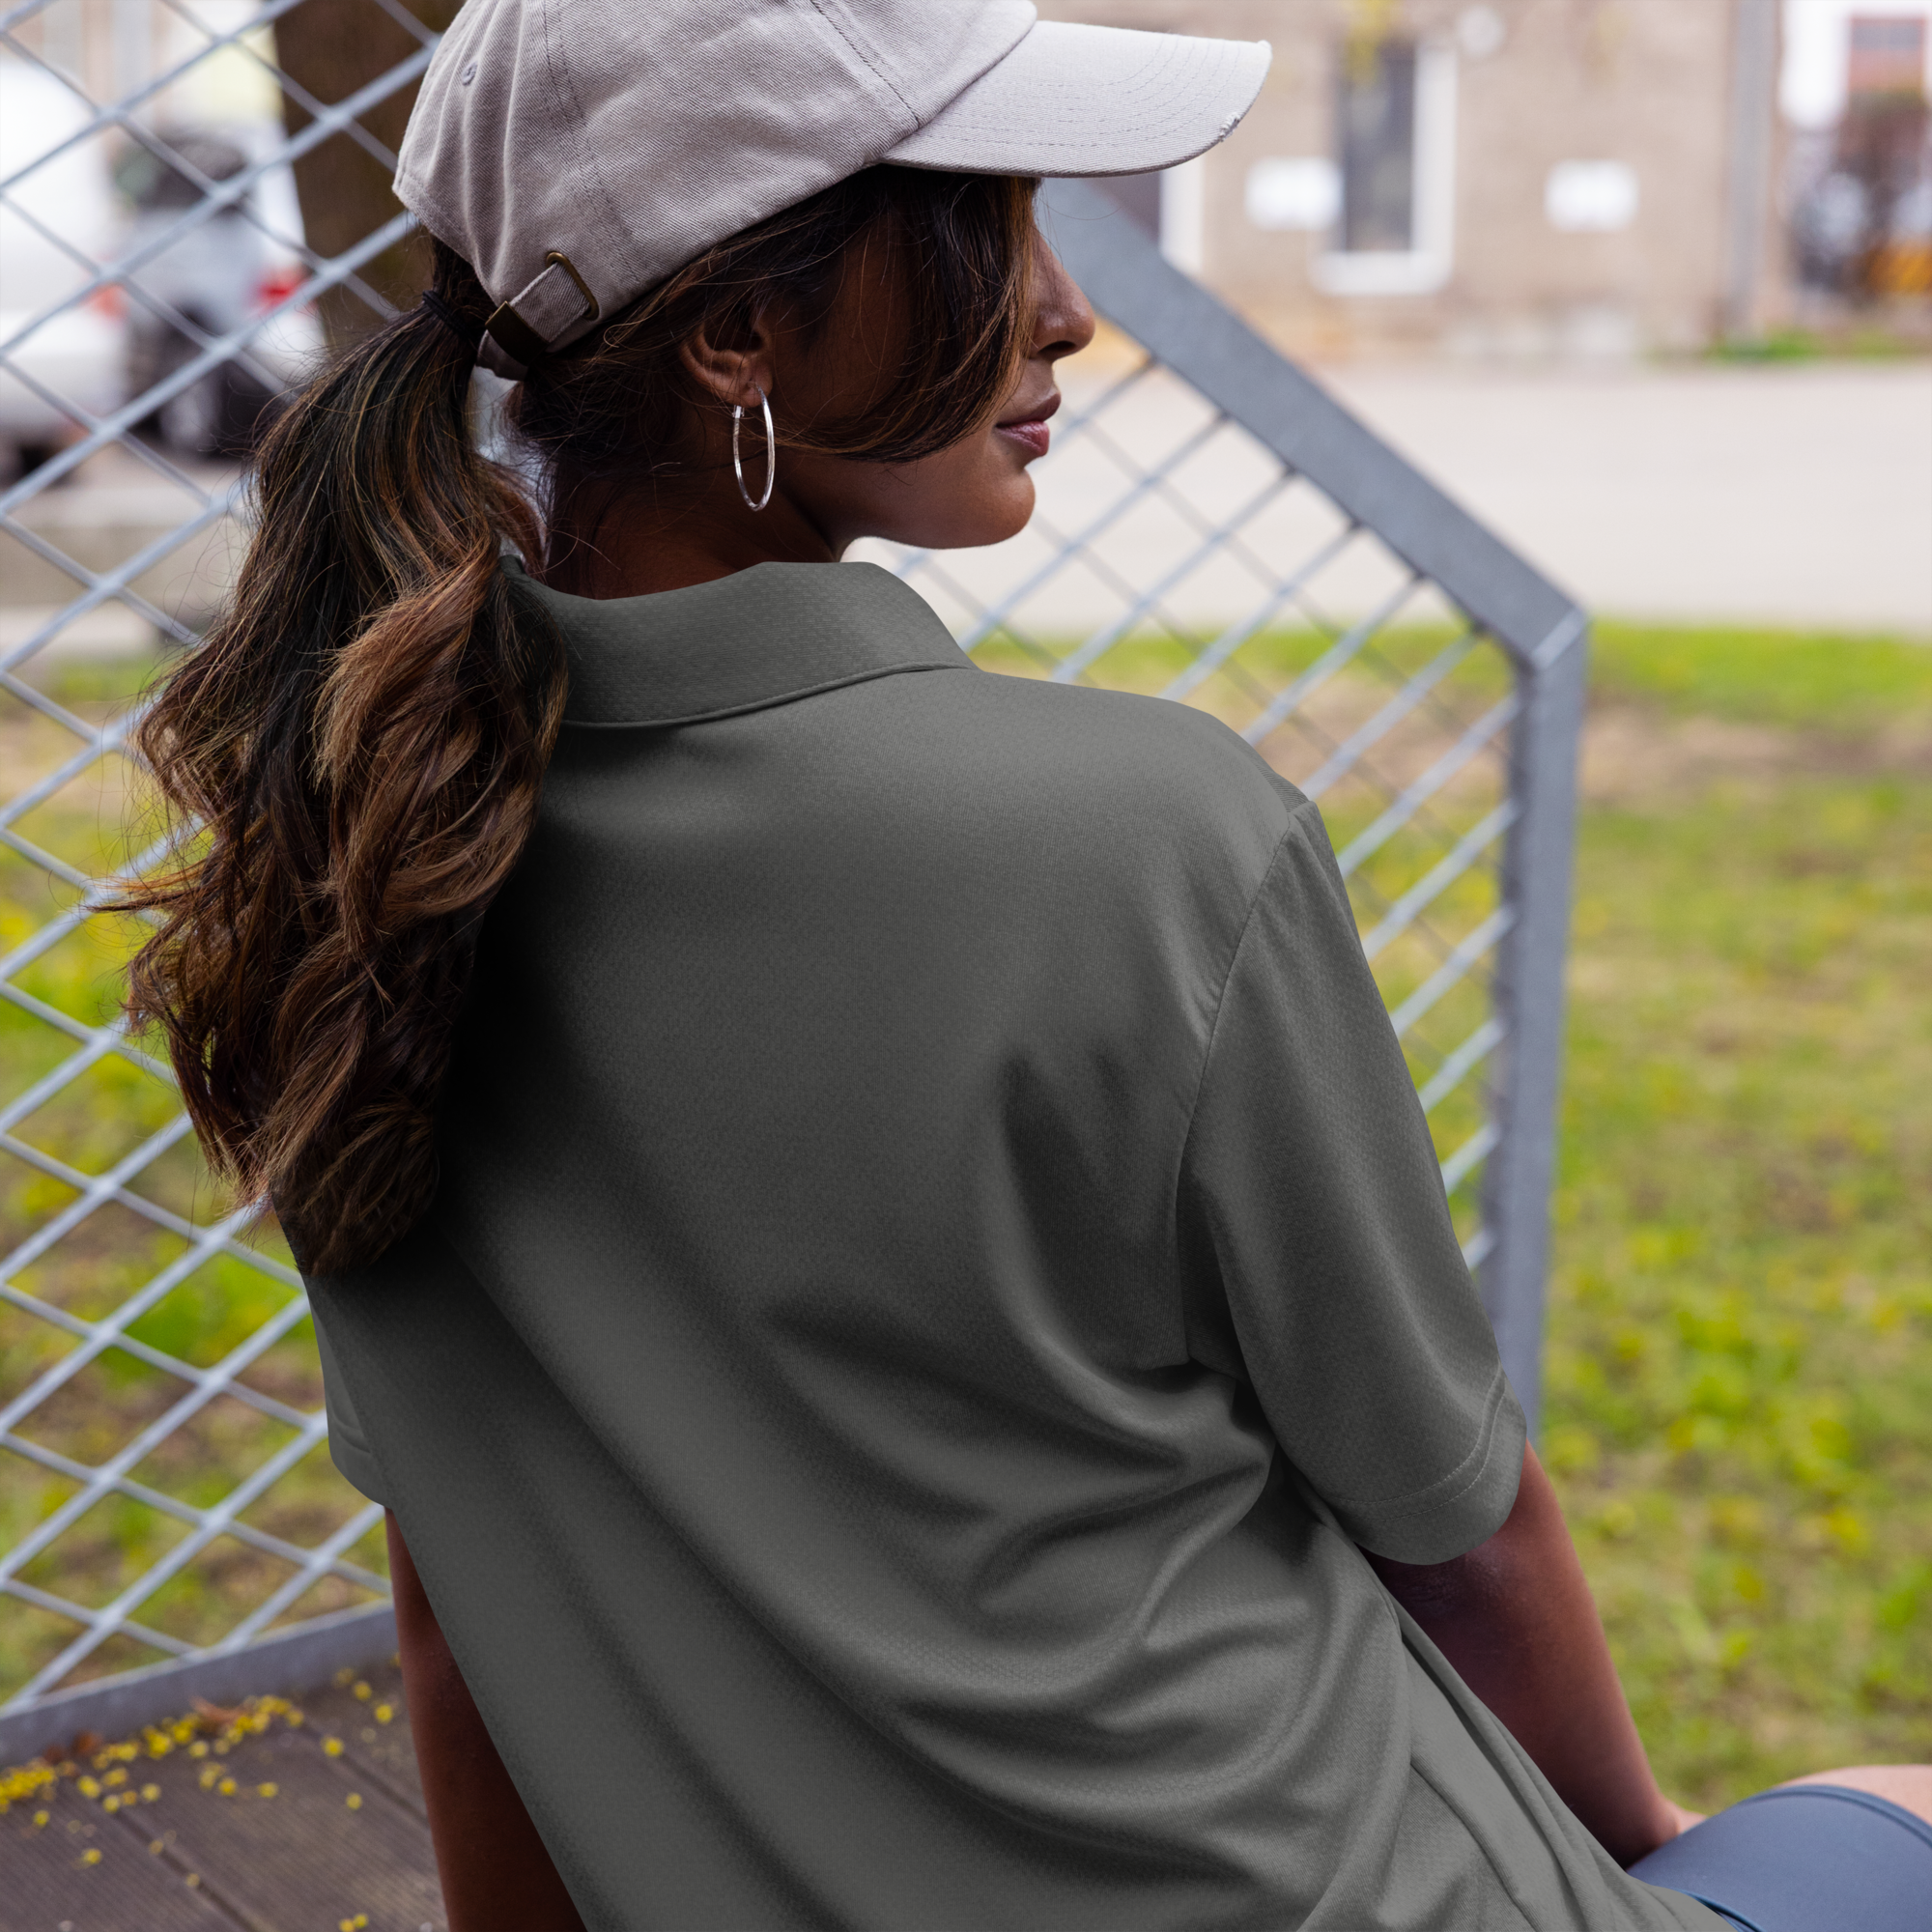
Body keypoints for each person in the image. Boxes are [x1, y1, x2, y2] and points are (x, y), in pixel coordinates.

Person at [122, 4, 1932, 1929]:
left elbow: (455, 1618)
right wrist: (1647, 1852)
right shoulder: (1150, 838)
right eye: (984, 222)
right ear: (733, 333)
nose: (1063, 306)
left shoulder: (359, 878)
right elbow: (1459, 1526)